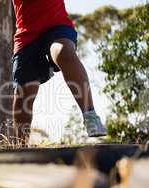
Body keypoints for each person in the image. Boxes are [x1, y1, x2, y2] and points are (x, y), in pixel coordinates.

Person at [11, 0, 107, 144]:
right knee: (23, 94)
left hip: (56, 25)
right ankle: (20, 146)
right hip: (26, 35)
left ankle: (90, 115)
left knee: (63, 52)